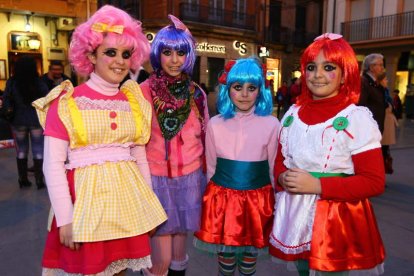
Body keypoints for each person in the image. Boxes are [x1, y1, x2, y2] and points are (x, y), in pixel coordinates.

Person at [32, 5, 167, 275]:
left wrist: (148, 206)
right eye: (110, 52)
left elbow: (139, 156)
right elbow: (53, 165)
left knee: (120, 270)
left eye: (126, 54)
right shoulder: (67, 101)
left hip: (127, 204)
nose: (119, 61)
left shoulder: (135, 101)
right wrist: (66, 219)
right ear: (91, 55)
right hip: (85, 206)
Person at [269, 33, 385, 275]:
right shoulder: (292, 113)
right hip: (296, 214)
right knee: (303, 269)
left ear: (345, 74)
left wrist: (319, 185)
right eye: (311, 67)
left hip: (336, 219)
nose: (317, 75)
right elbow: (281, 159)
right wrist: (281, 177)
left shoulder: (357, 118)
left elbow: (374, 181)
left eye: (328, 67)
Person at [194, 57, 280, 276]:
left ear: (260, 91)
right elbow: (211, 166)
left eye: (251, 88)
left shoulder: (271, 124)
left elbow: (273, 166)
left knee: (249, 255)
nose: (244, 94)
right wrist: (209, 200)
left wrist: (275, 200)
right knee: (226, 256)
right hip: (222, 200)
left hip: (257, 201)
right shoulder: (215, 124)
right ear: (228, 89)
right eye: (237, 87)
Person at [139, 15, 209, 276]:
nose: (174, 59)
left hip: (189, 178)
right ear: (158, 53)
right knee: (161, 261)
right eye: (167, 52)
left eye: (181, 52)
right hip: (155, 180)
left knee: (180, 255)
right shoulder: (143, 91)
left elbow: (204, 136)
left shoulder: (196, 94)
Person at [2, 55, 48, 189]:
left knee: (21, 150)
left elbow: (6, 99)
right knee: (38, 149)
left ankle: (23, 179)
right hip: (36, 120)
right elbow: (46, 99)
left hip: (18, 120)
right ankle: (39, 180)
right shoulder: (38, 82)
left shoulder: (12, 82)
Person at [359, 53, 386, 133]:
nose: (383, 68)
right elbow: (360, 107)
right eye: (380, 65)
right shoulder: (363, 82)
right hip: (367, 130)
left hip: (373, 129)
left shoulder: (375, 83)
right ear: (371, 67)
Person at [377, 74, 398, 174]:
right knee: (380, 152)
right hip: (382, 126)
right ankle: (379, 174)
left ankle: (382, 174)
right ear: (380, 81)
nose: (387, 81)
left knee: (385, 151)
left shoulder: (386, 93)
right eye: (385, 79)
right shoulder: (379, 93)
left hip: (388, 127)